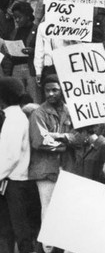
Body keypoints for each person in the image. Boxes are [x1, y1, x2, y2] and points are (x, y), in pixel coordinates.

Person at [0, 78, 37, 253]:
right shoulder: (14, 116)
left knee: (20, 229)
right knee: (9, 228)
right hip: (11, 180)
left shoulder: (14, 119)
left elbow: (11, 156)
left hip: (15, 181)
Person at [28, 74, 73, 218]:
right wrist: (66, 140)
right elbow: (40, 141)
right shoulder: (38, 113)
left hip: (67, 167)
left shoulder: (70, 111)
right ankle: (47, 242)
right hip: (45, 169)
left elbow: (79, 137)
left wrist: (56, 136)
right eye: (47, 91)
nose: (50, 94)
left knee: (66, 208)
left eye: (54, 90)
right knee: (48, 209)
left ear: (62, 91)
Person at [6, 2, 40, 103]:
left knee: (34, 98)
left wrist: (33, 51)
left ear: (28, 16)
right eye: (15, 17)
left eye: (19, 17)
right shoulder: (14, 32)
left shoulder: (37, 30)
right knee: (17, 99)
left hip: (31, 68)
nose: (17, 20)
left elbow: (43, 50)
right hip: (16, 68)